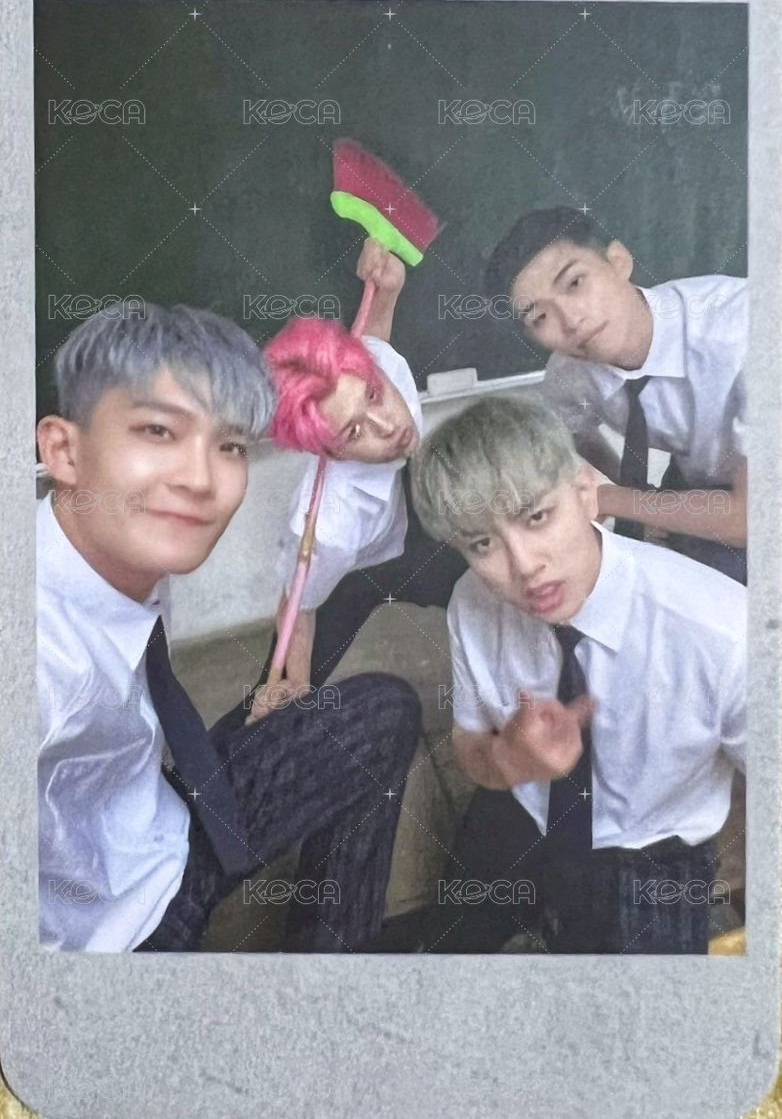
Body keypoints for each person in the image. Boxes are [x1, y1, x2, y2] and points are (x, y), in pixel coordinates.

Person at [36, 302, 420, 953]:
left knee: (384, 715)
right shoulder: (41, 657)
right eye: (158, 431)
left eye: (230, 445)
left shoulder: (120, 546)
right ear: (63, 450)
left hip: (162, 817)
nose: (200, 479)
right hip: (130, 935)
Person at [410, 395, 745, 954]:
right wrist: (506, 760)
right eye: (483, 543)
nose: (524, 565)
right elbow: (470, 740)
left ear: (586, 492)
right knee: (445, 957)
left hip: (653, 850)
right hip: (523, 806)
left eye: (537, 517)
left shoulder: (722, 633)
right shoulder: (472, 601)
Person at [247, 237, 465, 717]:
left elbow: (374, 342)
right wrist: (296, 680)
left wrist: (388, 291)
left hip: (415, 516)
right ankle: (237, 750)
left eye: (372, 395)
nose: (388, 425)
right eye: (353, 432)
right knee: (281, 698)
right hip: (355, 571)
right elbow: (298, 603)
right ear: (329, 452)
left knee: (500, 585)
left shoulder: (377, 368)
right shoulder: (326, 525)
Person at [485, 206, 747, 583]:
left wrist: (615, 499)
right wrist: (635, 494)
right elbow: (570, 430)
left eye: (575, 283)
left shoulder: (745, 330)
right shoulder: (569, 373)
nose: (571, 321)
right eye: (540, 317)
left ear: (619, 261)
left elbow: (750, 519)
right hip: (699, 473)